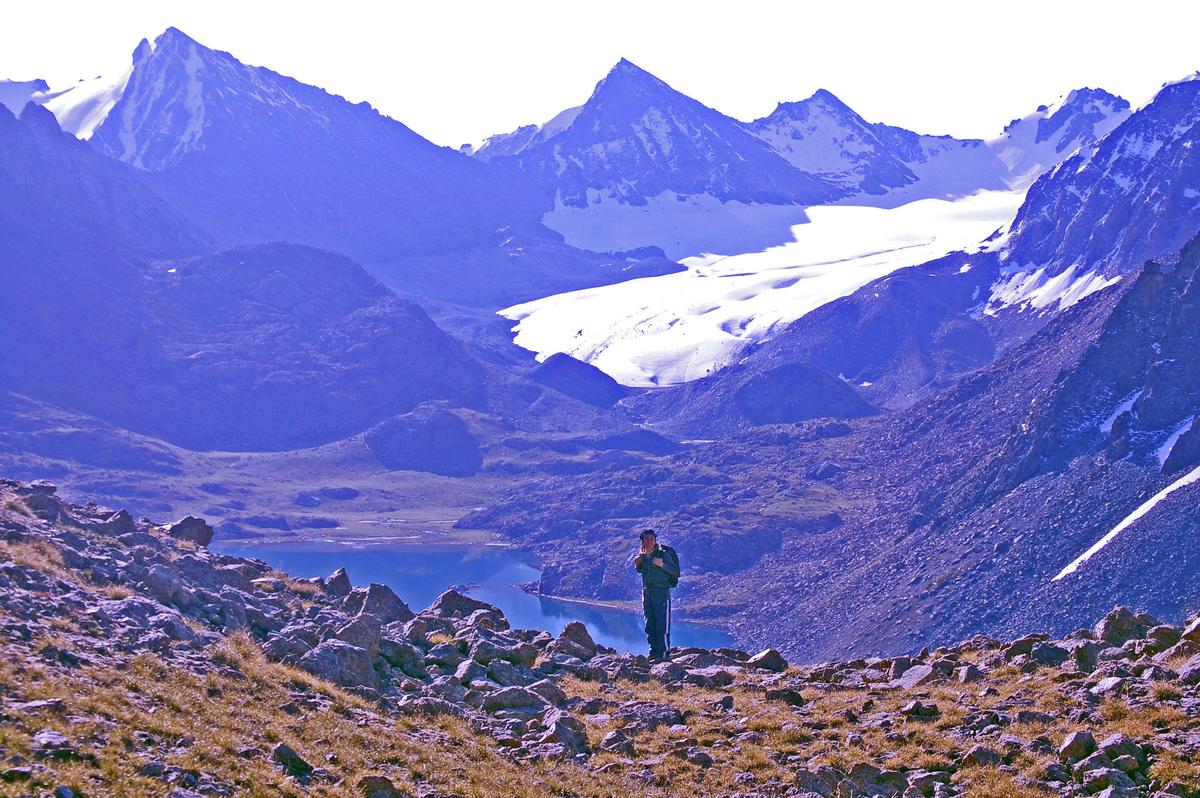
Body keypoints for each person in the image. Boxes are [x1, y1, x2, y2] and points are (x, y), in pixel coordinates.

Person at [634, 529, 679, 661]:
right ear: (642, 541)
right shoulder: (642, 556)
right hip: (647, 594)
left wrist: (662, 564)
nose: (649, 541)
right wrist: (637, 564)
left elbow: (675, 572)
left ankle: (664, 655)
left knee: (662, 625)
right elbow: (641, 571)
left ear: (655, 541)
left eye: (651, 539)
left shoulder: (662, 554)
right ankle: (653, 653)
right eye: (646, 539)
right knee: (650, 625)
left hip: (661, 594)